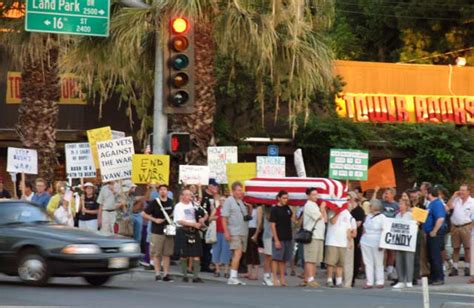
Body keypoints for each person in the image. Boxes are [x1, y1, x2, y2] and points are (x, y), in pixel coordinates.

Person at [142, 184, 175, 282]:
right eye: (161, 190)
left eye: (165, 189)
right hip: (157, 230)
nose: (163, 191)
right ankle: (157, 274)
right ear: (158, 192)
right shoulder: (154, 202)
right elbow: (143, 214)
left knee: (167, 253)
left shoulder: (171, 202)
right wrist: (154, 219)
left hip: (169, 229)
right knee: (157, 253)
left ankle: (166, 274)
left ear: (167, 191)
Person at [222, 181, 249, 286]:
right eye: (238, 190)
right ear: (233, 191)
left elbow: (245, 217)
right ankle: (232, 277)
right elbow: (224, 218)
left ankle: (234, 275)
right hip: (234, 231)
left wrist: (249, 208)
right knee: (237, 253)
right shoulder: (229, 201)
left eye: (241, 190)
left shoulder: (242, 202)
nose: (240, 192)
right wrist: (226, 232)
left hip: (243, 231)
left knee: (238, 254)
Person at [173, 188, 203, 283]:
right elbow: (179, 221)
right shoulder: (179, 206)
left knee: (196, 254)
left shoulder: (193, 205)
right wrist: (193, 224)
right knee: (184, 254)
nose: (189, 197)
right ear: (182, 196)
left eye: (190, 195)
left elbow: (202, 214)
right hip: (183, 230)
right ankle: (185, 275)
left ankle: (195, 276)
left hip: (194, 231)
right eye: (187, 195)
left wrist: (202, 220)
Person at [325, 203, 357, 288]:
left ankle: (339, 281)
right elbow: (332, 221)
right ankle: (329, 280)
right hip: (332, 241)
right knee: (331, 262)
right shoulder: (332, 211)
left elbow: (349, 229)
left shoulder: (347, 213)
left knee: (340, 263)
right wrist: (338, 212)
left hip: (343, 242)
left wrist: (349, 241)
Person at [302, 188, 327, 288]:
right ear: (308, 196)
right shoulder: (309, 205)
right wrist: (322, 208)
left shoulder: (316, 205)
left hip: (319, 235)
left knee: (315, 259)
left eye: (317, 194)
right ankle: (310, 278)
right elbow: (318, 217)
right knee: (310, 258)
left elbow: (324, 219)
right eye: (313, 194)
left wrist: (323, 208)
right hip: (312, 235)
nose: (316, 196)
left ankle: (312, 278)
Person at [270, 190, 295, 287]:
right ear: (279, 198)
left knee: (283, 260)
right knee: (276, 259)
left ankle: (282, 279)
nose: (286, 200)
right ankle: (274, 279)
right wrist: (276, 239)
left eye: (287, 198)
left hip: (287, 237)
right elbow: (272, 225)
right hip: (279, 237)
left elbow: (292, 218)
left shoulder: (287, 208)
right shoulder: (275, 210)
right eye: (284, 198)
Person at [447, 184, 473, 277]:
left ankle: (467, 267)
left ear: (468, 192)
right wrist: (453, 196)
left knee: (467, 248)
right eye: (460, 190)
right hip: (455, 226)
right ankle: (455, 267)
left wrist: (471, 227)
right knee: (455, 248)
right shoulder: (456, 200)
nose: (461, 192)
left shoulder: (472, 202)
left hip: (466, 226)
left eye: (463, 190)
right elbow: (448, 207)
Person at [360, 199, 386, 289]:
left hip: (377, 240)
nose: (369, 207)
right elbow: (364, 228)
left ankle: (380, 280)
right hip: (366, 240)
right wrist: (361, 240)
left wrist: (382, 243)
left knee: (378, 261)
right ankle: (369, 281)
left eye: (371, 206)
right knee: (368, 262)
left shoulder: (382, 217)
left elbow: (384, 230)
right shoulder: (368, 216)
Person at [424, 186, 446, 285]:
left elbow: (440, 218)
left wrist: (434, 230)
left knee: (435, 256)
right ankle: (433, 276)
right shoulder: (431, 204)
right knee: (431, 256)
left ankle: (439, 277)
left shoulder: (437, 204)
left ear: (429, 194)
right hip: (430, 233)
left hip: (435, 234)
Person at [392, 199, 416, 289]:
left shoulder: (410, 215)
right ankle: (401, 280)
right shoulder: (397, 215)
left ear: (406, 206)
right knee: (399, 260)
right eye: (399, 204)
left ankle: (409, 280)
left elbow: (416, 224)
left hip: (408, 241)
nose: (400, 206)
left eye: (402, 204)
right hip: (399, 241)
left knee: (408, 260)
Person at [210, 195, 231, 278]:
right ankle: (217, 270)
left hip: (226, 232)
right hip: (217, 232)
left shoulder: (229, 210)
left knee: (226, 251)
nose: (222, 201)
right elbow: (210, 218)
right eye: (221, 200)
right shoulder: (216, 209)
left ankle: (226, 271)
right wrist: (216, 217)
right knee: (216, 251)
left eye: (224, 200)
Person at [201, 179, 219, 273]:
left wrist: (216, 196)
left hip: (214, 222)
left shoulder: (216, 196)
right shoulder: (203, 196)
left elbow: (219, 206)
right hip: (205, 222)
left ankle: (208, 263)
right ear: (209, 186)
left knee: (210, 244)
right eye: (214, 186)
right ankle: (204, 264)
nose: (216, 188)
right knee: (205, 244)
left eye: (217, 186)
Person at [350, 191, 366, 287]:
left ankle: (353, 277)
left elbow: (358, 224)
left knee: (356, 257)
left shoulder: (359, 210)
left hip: (356, 235)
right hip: (347, 235)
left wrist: (348, 225)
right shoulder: (347, 209)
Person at [246, 205, 262, 280]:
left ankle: (255, 273)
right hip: (247, 229)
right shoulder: (248, 207)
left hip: (253, 229)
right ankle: (249, 272)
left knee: (254, 251)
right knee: (248, 251)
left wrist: (256, 234)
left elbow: (259, 222)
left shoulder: (258, 208)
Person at [262, 205, 274, 286]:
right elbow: (268, 217)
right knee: (268, 256)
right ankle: (266, 276)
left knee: (274, 258)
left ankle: (272, 276)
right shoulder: (267, 206)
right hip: (268, 235)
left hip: (276, 236)